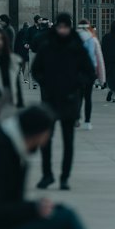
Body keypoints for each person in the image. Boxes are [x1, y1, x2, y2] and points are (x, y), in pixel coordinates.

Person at [32, 13, 95, 189]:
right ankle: (47, 175)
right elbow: (36, 70)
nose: (62, 30)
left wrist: (77, 84)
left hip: (69, 99)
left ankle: (64, 177)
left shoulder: (76, 46)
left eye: (65, 27)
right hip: (50, 99)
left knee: (68, 141)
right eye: (60, 26)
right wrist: (46, 84)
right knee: (46, 139)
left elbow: (89, 71)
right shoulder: (47, 46)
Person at [77, 20, 104, 128]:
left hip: (76, 71)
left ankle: (77, 117)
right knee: (88, 97)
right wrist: (102, 78)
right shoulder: (93, 39)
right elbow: (99, 59)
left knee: (78, 96)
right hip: (89, 71)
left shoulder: (73, 39)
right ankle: (87, 122)